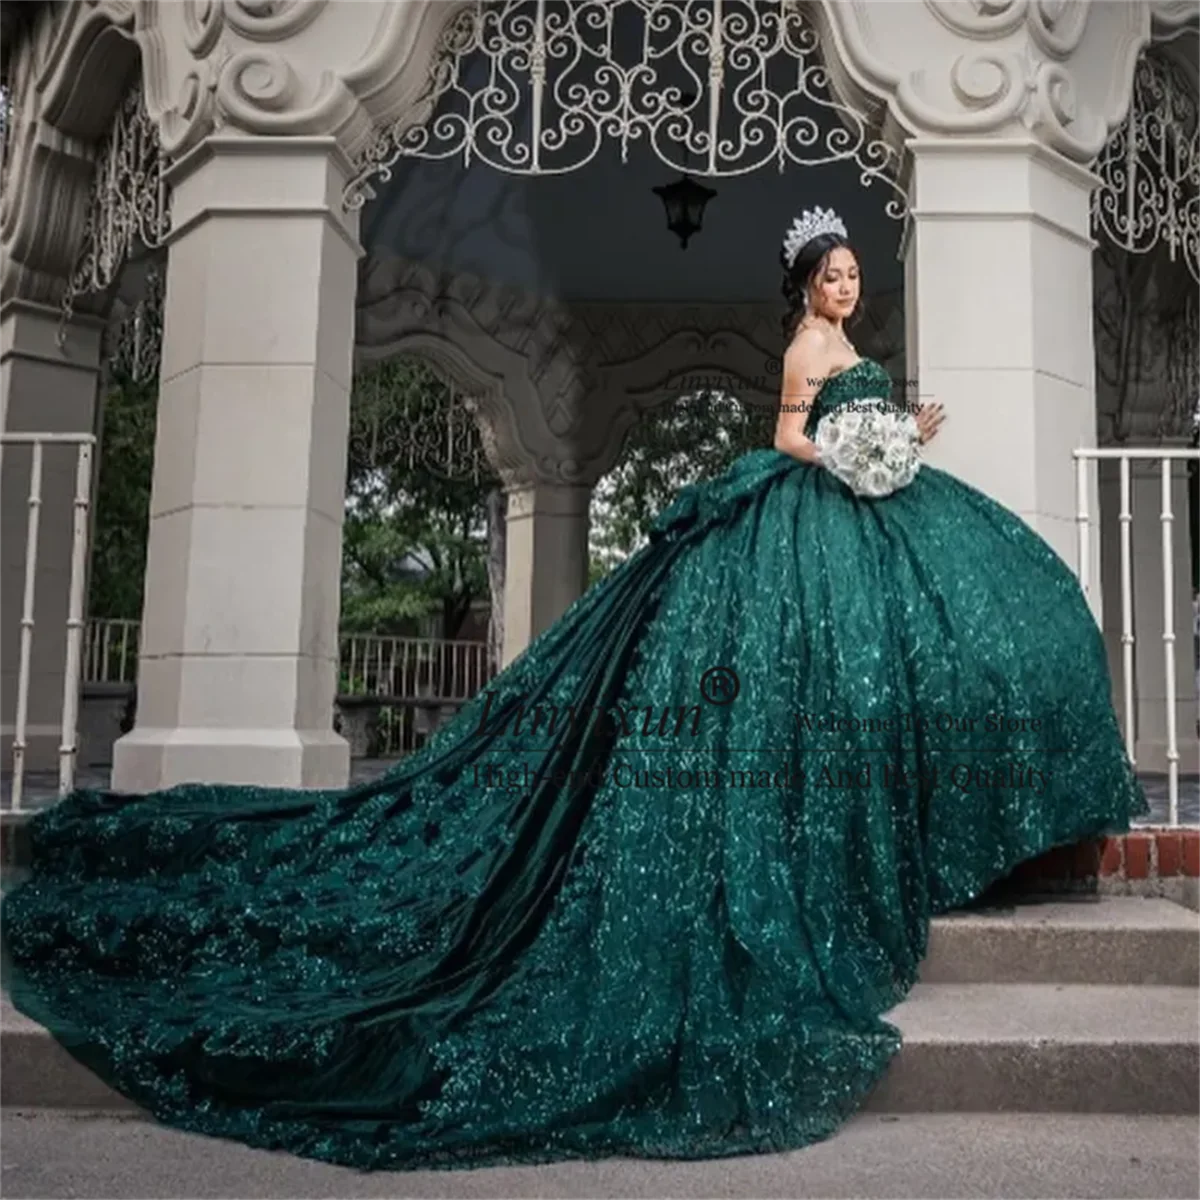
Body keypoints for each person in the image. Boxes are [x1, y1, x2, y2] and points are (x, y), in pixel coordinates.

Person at [0, 206, 1146, 1173]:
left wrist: (902, 435)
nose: (845, 287)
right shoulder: (804, 348)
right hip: (815, 509)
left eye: (852, 274)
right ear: (804, 286)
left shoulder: (843, 337)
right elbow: (792, 440)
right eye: (831, 275)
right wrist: (867, 447)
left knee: (954, 642)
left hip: (869, 511)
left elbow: (853, 430)